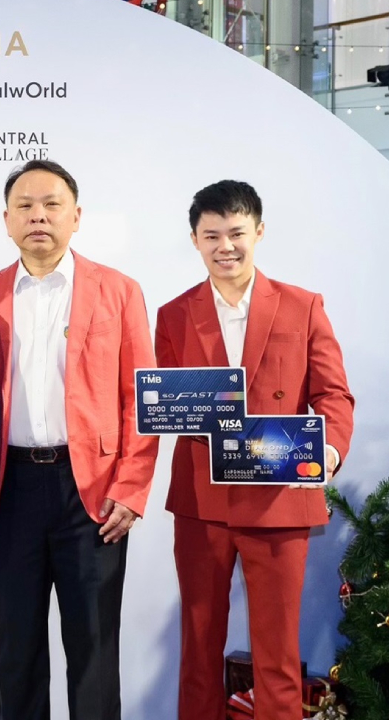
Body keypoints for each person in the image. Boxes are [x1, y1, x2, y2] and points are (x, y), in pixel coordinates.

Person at [155, 180, 354, 720]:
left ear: (259, 232)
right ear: (195, 240)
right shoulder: (173, 315)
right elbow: (168, 400)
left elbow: (333, 395)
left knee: (278, 657)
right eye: (211, 235)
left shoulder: (303, 305)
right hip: (202, 504)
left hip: (281, 498)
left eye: (236, 233)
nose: (225, 246)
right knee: (198, 649)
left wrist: (327, 451)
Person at [0, 159, 158, 720]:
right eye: (25, 206)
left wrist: (131, 489)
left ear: (76, 216)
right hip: (11, 490)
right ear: (7, 220)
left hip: (92, 494)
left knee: (93, 650)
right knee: (18, 651)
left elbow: (141, 399)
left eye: (52, 205)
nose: (39, 216)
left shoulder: (119, 291)